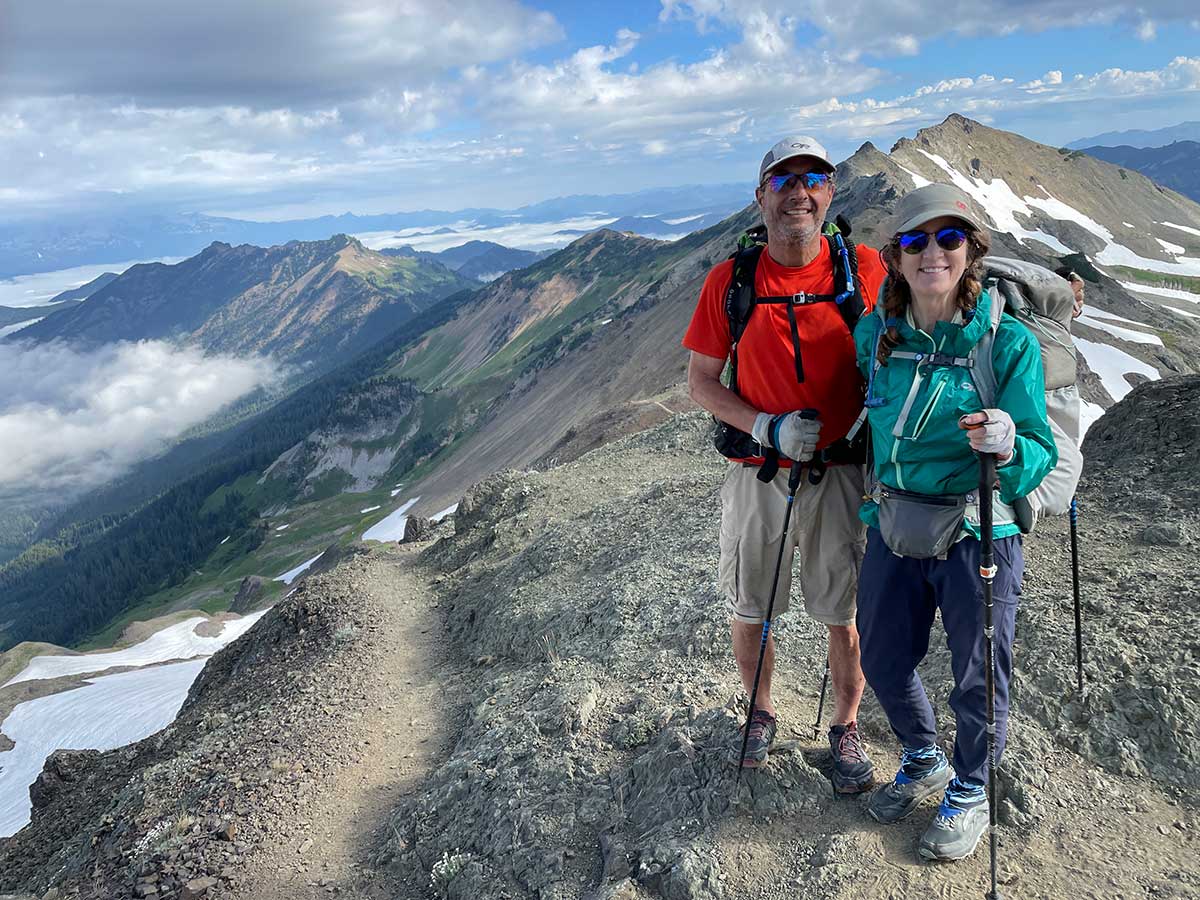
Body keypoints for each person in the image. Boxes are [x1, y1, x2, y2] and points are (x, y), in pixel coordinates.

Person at [852, 183, 1057, 860]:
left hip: (977, 529)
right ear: (896, 256)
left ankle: (970, 787)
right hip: (896, 523)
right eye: (915, 240)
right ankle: (922, 755)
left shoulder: (1006, 342)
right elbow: (870, 423)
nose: (931, 252)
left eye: (949, 238)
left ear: (971, 252)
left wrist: (1007, 442)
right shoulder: (876, 333)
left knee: (977, 673)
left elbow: (1039, 452)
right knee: (881, 656)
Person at [683, 136, 887, 792]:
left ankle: (846, 725)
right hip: (758, 471)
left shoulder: (866, 269)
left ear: (830, 193)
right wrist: (765, 425)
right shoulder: (732, 281)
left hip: (839, 470)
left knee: (842, 610)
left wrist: (1049, 298)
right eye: (782, 180)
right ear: (761, 196)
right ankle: (761, 712)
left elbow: (943, 304)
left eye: (814, 178)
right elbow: (702, 382)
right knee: (752, 606)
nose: (798, 191)